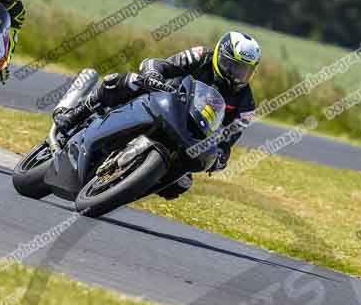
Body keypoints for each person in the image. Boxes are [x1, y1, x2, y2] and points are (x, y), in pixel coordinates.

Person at [52, 31, 261, 199]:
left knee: (181, 184)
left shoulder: (246, 102)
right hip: (162, 99)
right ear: (219, 56)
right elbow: (160, 64)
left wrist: (220, 158)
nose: (235, 74)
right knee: (125, 81)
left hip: (191, 132)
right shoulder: (201, 56)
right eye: (232, 65)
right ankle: (75, 114)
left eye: (244, 70)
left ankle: (123, 186)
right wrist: (153, 74)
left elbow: (229, 140)